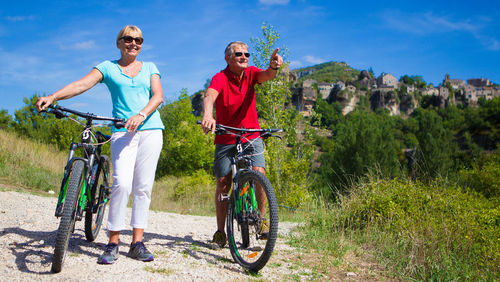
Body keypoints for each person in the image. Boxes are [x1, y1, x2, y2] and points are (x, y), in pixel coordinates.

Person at [36, 25, 164, 264]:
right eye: (128, 39)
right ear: (119, 42)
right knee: (122, 184)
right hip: (122, 130)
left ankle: (137, 242)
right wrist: (53, 96)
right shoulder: (108, 67)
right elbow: (81, 84)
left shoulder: (150, 68)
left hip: (150, 130)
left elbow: (158, 96)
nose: (133, 43)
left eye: (138, 40)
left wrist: (141, 114)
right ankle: (113, 241)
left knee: (143, 187)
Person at [201, 41, 283, 248]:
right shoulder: (220, 77)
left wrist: (273, 67)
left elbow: (266, 75)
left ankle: (262, 221)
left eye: (247, 54)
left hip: (251, 135)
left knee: (259, 172)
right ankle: (221, 232)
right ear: (228, 58)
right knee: (223, 183)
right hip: (225, 137)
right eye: (239, 54)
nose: (244, 57)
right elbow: (210, 95)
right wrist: (208, 115)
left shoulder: (251, 73)